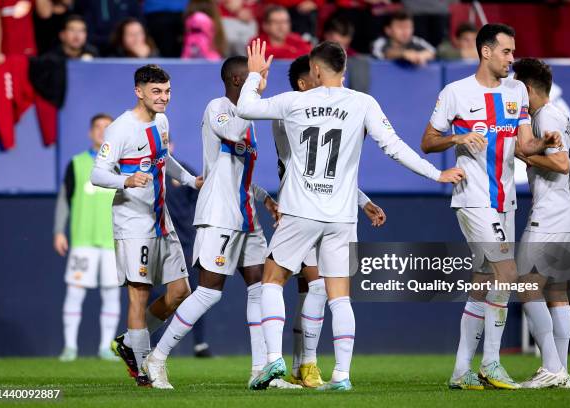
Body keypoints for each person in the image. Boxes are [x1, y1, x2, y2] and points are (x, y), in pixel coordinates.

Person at [239, 39, 464, 391]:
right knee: (339, 295)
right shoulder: (363, 103)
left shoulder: (295, 101)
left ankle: (273, 360)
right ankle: (341, 375)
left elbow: (246, 108)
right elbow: (395, 147)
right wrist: (437, 175)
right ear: (345, 69)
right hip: (341, 215)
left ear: (314, 69)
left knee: (272, 278)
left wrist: (254, 76)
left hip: (300, 210)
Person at [420, 23, 562, 390]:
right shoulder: (455, 92)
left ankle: (460, 372)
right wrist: (458, 137)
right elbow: (428, 141)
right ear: (485, 51)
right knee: (507, 272)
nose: (512, 59)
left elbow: (523, 145)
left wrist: (544, 143)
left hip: (505, 201)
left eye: (513, 52)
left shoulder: (515, 92)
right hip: (473, 198)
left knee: (483, 283)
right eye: (506, 52)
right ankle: (492, 364)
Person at [141, 57, 291, 390]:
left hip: (246, 216)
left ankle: (260, 371)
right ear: (239, 79)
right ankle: (157, 358)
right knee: (209, 292)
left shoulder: (249, 120)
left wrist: (265, 197)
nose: (263, 82)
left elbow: (236, 173)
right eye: (257, 76)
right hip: (219, 217)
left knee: (261, 288)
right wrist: (255, 88)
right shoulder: (218, 109)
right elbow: (231, 130)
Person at [278, 55, 387, 388]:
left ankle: (303, 365)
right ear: (304, 82)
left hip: (326, 208)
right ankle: (305, 363)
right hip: (301, 208)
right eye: (317, 79)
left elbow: (331, 171)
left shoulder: (320, 111)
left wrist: (363, 200)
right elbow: (307, 170)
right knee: (314, 286)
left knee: (319, 288)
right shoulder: (290, 115)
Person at [91, 64, 202, 387]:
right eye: (156, 91)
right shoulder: (120, 129)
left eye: (167, 91)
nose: (163, 97)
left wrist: (190, 179)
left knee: (181, 291)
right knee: (138, 295)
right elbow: (98, 174)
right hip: (132, 222)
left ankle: (129, 342)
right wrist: (125, 179)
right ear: (138, 91)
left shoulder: (162, 122)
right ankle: (143, 369)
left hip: (160, 218)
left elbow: (164, 159)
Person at [512, 57, 570, 389]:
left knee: (526, 286)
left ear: (527, 89)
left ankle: (552, 367)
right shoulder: (562, 114)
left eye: (516, 87)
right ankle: (562, 373)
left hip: (551, 215)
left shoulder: (544, 117)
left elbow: (560, 162)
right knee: (555, 292)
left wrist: (523, 153)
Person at [54, 113, 120, 362]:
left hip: (113, 242)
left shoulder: (121, 165)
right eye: (98, 127)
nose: (102, 131)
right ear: (90, 132)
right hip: (82, 241)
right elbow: (64, 199)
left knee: (111, 294)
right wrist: (59, 230)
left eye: (107, 127)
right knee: (75, 292)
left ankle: (105, 347)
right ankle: (70, 347)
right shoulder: (77, 163)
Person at [164, 140, 212, 357]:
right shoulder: (148, 173)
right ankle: (153, 345)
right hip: (160, 243)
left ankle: (200, 343)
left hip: (185, 242)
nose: (164, 147)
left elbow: (201, 194)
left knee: (195, 293)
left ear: (172, 146)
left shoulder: (182, 172)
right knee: (159, 294)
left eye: (166, 143)